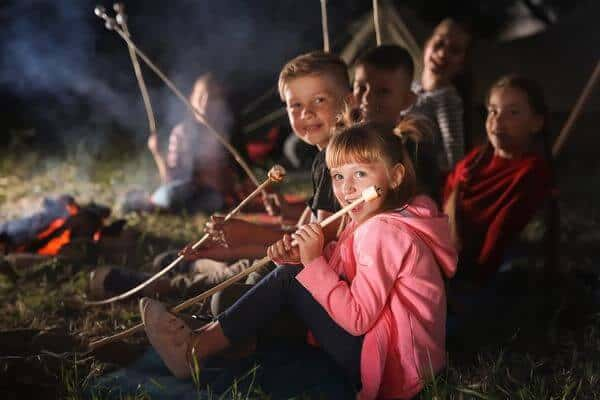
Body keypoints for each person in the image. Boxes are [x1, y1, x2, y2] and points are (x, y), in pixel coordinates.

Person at [139, 119, 457, 399]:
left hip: (395, 366)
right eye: (338, 177)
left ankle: (196, 350)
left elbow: (357, 317)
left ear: (395, 177)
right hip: (392, 352)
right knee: (289, 279)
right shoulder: (371, 221)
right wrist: (300, 259)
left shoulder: (383, 232)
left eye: (360, 173)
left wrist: (312, 264)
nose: (346, 189)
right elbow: (338, 278)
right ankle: (208, 340)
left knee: (289, 282)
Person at [181, 51, 352, 262]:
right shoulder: (324, 159)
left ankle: (184, 280)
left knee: (242, 281)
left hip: (322, 275)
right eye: (296, 105)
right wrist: (227, 251)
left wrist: (246, 233)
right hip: (300, 264)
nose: (306, 112)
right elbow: (299, 233)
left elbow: (315, 246)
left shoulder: (340, 163)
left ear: (348, 102)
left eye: (319, 100)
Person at [443, 75, 555, 337]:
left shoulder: (531, 170)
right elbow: (448, 194)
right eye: (493, 110)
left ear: (536, 122)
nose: (498, 120)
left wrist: (472, 275)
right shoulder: (477, 159)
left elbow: (503, 226)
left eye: (512, 112)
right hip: (449, 248)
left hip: (487, 267)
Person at [123, 73, 235, 214]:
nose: (205, 103)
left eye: (212, 98)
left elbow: (226, 179)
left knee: (213, 201)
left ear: (220, 104)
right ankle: (147, 202)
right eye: (200, 97)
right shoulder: (182, 133)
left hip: (210, 194)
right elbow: (171, 178)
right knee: (170, 195)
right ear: (191, 100)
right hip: (182, 190)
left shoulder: (223, 133)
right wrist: (157, 153)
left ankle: (166, 208)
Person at [353, 44, 441, 201]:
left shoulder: (415, 149)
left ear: (408, 100)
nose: (367, 98)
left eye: (383, 92)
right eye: (361, 87)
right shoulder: (347, 141)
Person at [413, 18, 471, 173]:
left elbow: (454, 159)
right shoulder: (411, 86)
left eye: (455, 50)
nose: (443, 53)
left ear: (462, 63)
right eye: (439, 43)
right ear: (427, 45)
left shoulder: (447, 99)